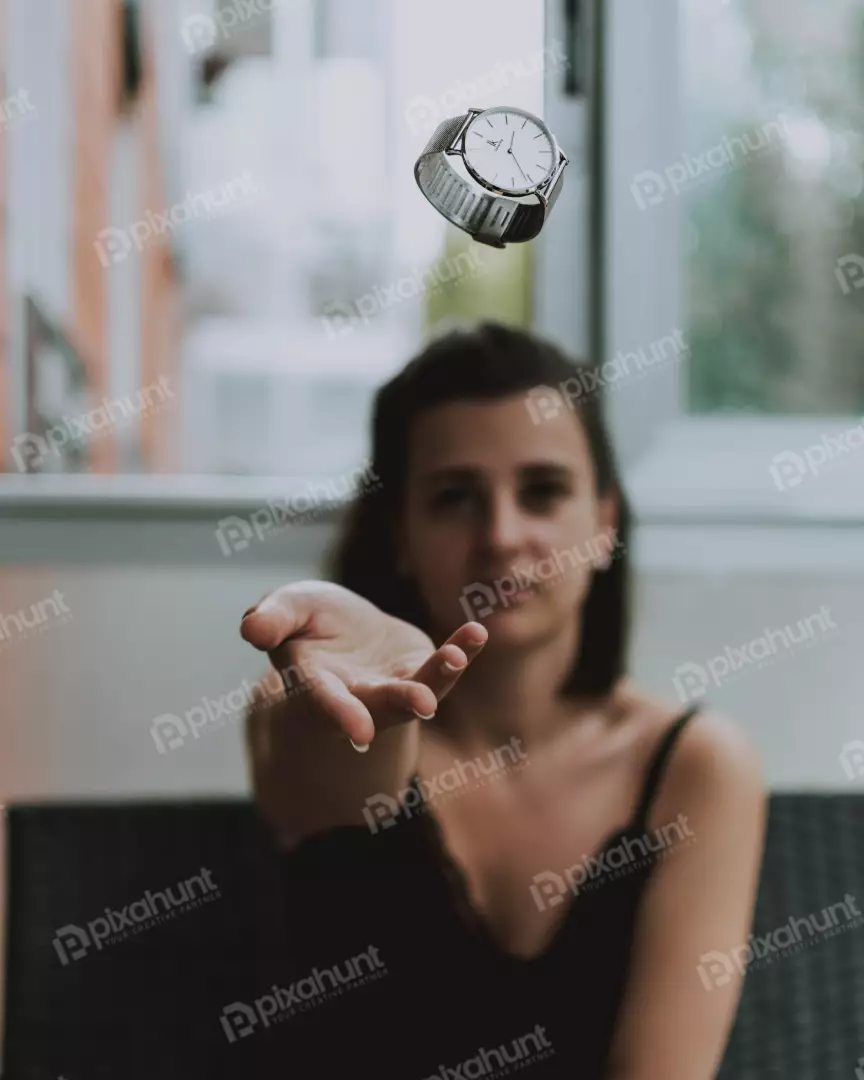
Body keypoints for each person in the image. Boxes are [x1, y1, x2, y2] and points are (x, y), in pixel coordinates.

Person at [239, 320, 767, 1079]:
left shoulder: (699, 766)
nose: (502, 534)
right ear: (400, 534)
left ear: (605, 521)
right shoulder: (320, 705)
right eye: (455, 498)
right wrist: (383, 702)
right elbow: (336, 763)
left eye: (543, 491)